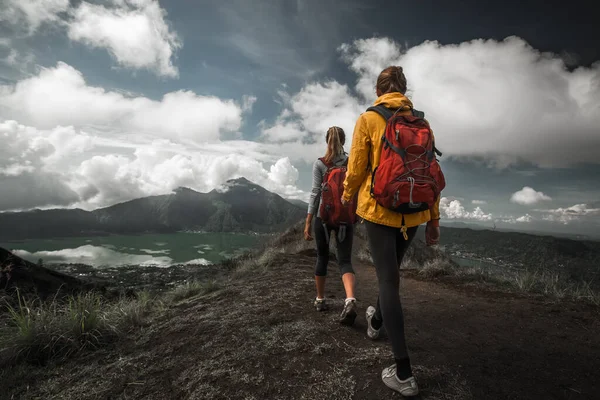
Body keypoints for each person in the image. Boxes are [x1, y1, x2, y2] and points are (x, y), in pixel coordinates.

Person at [341, 66, 442, 397]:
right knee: (392, 273)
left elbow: (355, 169)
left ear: (378, 90)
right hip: (413, 213)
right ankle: (376, 322)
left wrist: (345, 198)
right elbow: (431, 173)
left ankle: (403, 372)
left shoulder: (369, 119)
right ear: (405, 90)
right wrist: (434, 219)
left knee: (387, 280)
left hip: (380, 210)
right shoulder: (422, 123)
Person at [304, 126, 358, 326]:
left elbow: (315, 193)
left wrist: (308, 221)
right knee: (344, 260)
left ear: (327, 141)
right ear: (343, 142)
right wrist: (356, 215)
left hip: (323, 218)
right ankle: (350, 299)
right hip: (346, 219)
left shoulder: (320, 164)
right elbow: (357, 189)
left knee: (323, 257)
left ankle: (320, 299)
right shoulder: (352, 161)